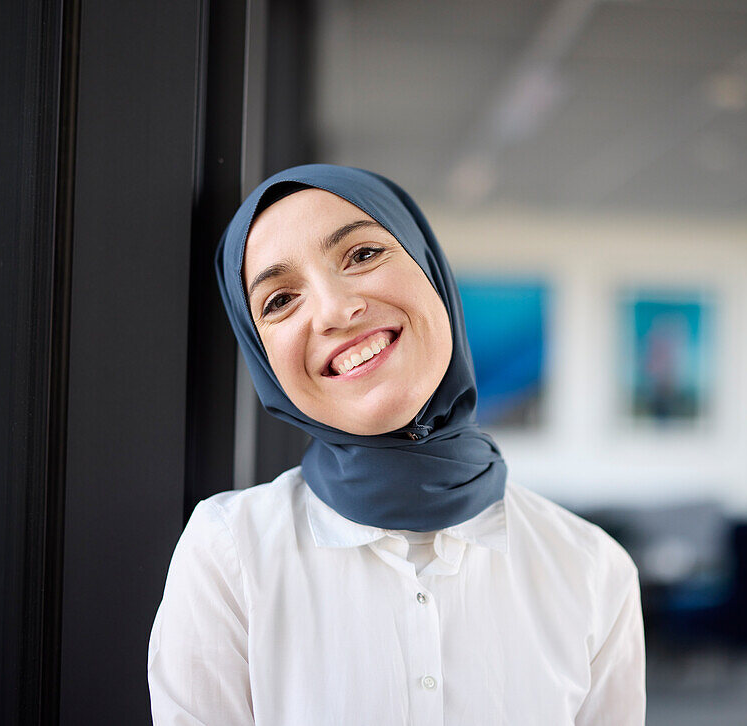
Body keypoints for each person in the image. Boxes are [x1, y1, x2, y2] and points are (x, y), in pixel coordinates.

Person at [147, 164, 646, 724]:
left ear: (430, 269)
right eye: (279, 300)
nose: (335, 310)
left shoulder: (592, 568)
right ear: (263, 358)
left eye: (361, 255)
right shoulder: (229, 554)